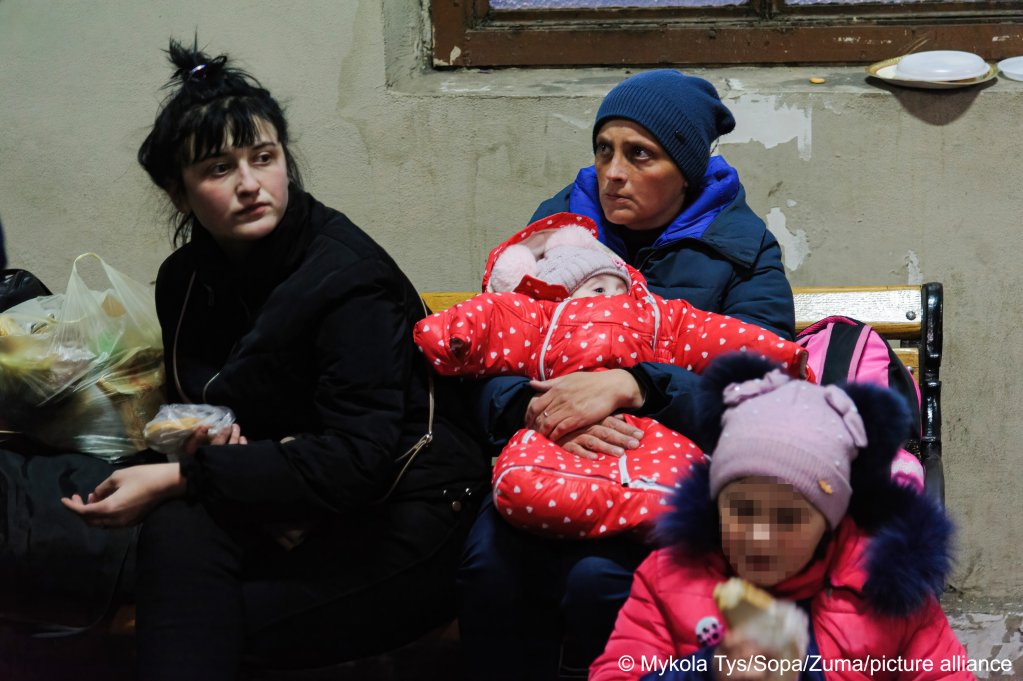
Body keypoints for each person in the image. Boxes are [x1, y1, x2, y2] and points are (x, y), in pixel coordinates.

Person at [61, 39, 488, 680]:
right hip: (279, 500)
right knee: (177, 539)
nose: (251, 185)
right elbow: (209, 404)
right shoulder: (185, 278)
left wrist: (187, 477)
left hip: (408, 512)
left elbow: (358, 459)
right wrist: (214, 461)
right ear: (178, 194)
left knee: (211, 622)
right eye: (218, 169)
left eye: (264, 158)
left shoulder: (349, 279)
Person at [459, 70, 794, 679]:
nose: (613, 172)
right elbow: (486, 350)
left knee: (601, 582)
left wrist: (637, 385)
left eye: (640, 155)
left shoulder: (741, 250)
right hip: (546, 459)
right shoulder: (554, 231)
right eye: (604, 149)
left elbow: (763, 391)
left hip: (664, 483)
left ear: (687, 168)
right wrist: (528, 409)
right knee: (491, 565)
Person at [590, 354, 970, 680]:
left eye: (788, 518)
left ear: (831, 518)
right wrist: (707, 669)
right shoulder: (670, 578)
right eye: (741, 510)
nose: (759, 536)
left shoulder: (886, 589)